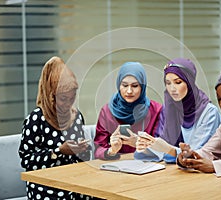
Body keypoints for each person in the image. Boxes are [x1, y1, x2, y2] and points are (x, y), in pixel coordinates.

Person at [18, 56, 94, 199]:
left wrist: (82, 150)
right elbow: (26, 161)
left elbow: (83, 160)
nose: (68, 104)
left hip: (75, 182)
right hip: (46, 186)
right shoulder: (36, 119)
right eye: (63, 99)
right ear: (50, 95)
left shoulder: (76, 116)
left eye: (72, 98)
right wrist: (58, 152)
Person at [135, 58, 221, 163]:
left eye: (178, 82)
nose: (172, 88)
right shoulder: (168, 109)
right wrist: (144, 146)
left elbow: (197, 155)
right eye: (168, 83)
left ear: (189, 82)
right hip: (175, 172)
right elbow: (161, 149)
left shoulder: (209, 113)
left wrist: (168, 149)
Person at [94, 61, 162, 160]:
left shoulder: (156, 110)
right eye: (125, 85)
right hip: (116, 168)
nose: (129, 91)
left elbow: (163, 147)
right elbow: (98, 148)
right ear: (118, 85)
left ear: (142, 87)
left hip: (147, 166)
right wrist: (112, 150)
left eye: (135, 86)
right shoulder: (107, 111)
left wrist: (139, 144)